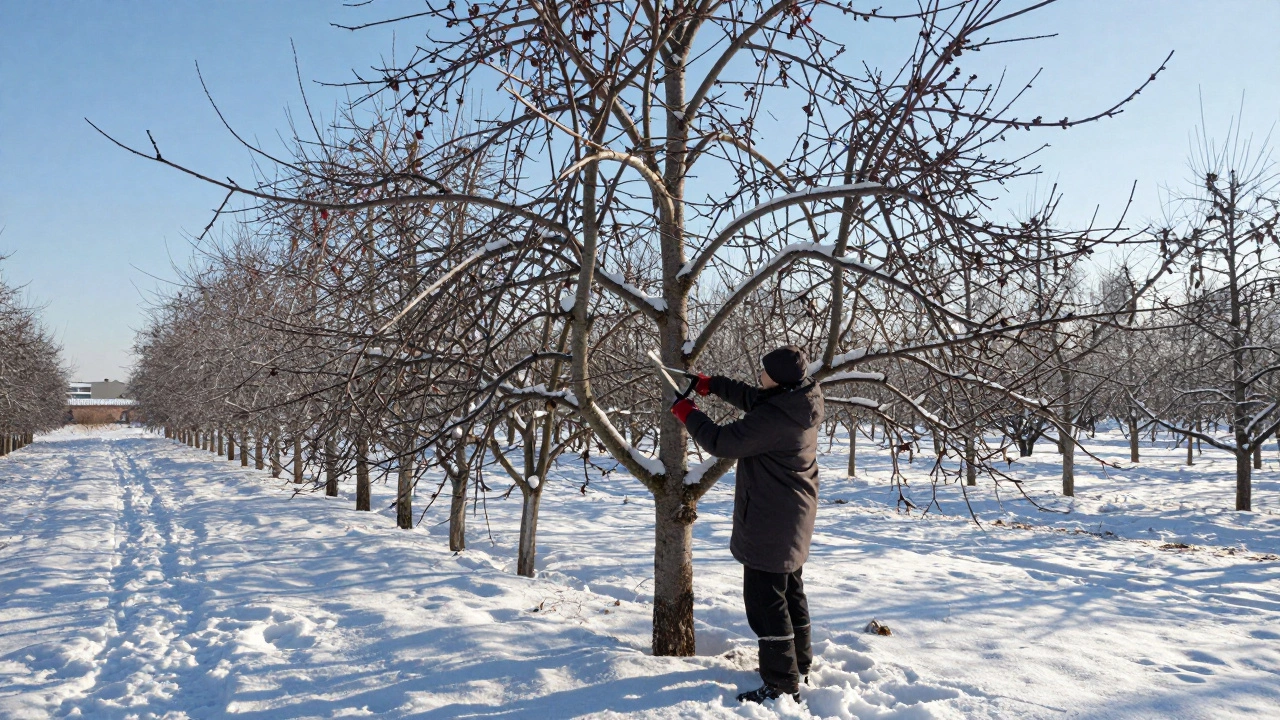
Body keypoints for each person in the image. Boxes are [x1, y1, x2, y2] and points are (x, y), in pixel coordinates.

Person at [670, 345, 824, 704]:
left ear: (779, 378)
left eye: (765, 371)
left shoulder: (776, 419)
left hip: (771, 520)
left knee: (765, 602)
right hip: (792, 513)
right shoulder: (800, 397)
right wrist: (714, 385)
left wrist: (687, 412)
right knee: (789, 590)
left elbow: (722, 441)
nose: (760, 375)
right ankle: (797, 663)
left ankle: (782, 684)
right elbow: (758, 399)